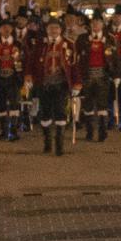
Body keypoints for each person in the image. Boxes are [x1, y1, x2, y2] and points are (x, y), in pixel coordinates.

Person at [27, 15, 80, 155]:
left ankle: (59, 145)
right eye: (51, 28)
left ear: (61, 30)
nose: (54, 30)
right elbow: (31, 62)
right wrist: (28, 77)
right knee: (45, 114)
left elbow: (74, 66)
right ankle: (47, 142)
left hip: (61, 84)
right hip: (44, 84)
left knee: (61, 112)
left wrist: (77, 84)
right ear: (46, 29)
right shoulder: (40, 45)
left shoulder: (69, 44)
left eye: (56, 28)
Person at [79, 14, 117, 141]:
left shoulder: (110, 39)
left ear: (103, 24)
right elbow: (76, 58)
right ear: (90, 25)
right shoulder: (83, 39)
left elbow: (116, 58)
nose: (95, 26)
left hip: (103, 75)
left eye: (98, 23)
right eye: (93, 23)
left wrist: (117, 75)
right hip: (87, 74)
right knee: (88, 104)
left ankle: (102, 131)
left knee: (102, 105)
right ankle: (89, 131)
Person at [0, 17, 25, 141]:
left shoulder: (18, 44)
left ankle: (14, 131)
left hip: (14, 78)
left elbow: (23, 60)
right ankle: (4, 131)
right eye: (3, 27)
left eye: (8, 27)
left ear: (12, 29)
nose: (6, 29)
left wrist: (24, 77)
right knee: (1, 104)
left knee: (15, 104)